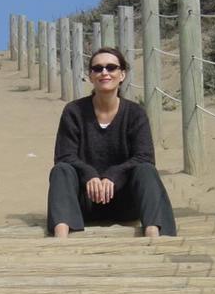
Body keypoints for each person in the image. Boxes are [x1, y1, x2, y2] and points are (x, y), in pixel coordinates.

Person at [47, 47, 176, 238]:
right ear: (90, 76)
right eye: (97, 68)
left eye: (111, 67)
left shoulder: (135, 113)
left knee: (146, 170)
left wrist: (113, 175)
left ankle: (154, 234)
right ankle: (61, 237)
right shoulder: (74, 111)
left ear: (122, 74)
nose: (104, 73)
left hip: (125, 202)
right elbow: (64, 155)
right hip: (84, 204)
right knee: (61, 170)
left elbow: (144, 156)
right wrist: (89, 174)